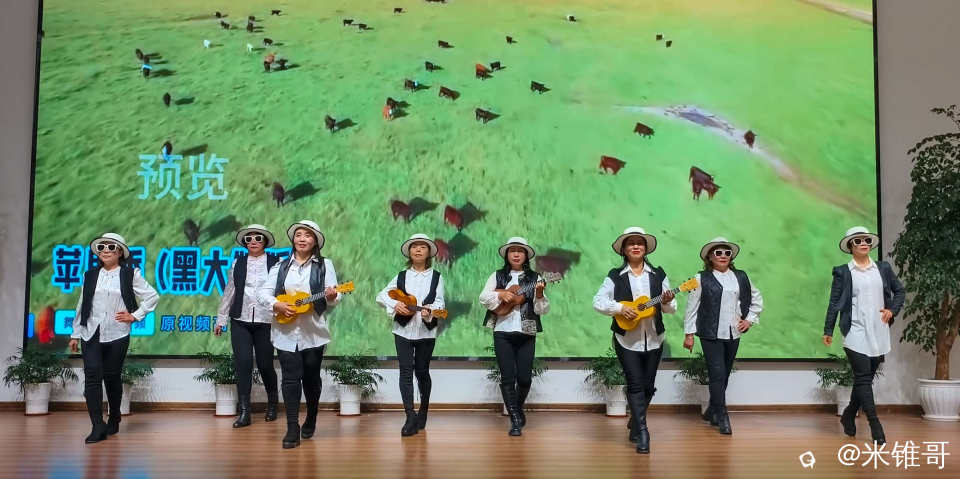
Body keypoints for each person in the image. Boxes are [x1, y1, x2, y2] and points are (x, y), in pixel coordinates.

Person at [258, 220, 342, 449]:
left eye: (308, 235)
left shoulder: (325, 265)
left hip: (313, 332)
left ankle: (312, 416)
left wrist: (333, 295)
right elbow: (263, 294)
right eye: (298, 235)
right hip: (284, 332)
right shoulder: (280, 266)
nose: (302, 239)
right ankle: (292, 427)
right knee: (290, 378)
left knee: (311, 379)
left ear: (315, 241)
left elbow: (336, 296)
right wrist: (277, 305)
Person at [69, 233, 159, 443]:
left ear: (120, 252)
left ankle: (114, 417)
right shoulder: (90, 275)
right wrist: (75, 333)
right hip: (90, 333)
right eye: (102, 247)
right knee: (92, 377)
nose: (105, 251)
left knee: (112, 377)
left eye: (111, 247)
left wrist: (135, 315)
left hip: (118, 333)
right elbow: (82, 304)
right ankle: (97, 426)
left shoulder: (130, 274)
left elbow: (152, 296)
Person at [592, 227, 676, 454]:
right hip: (626, 340)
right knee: (636, 384)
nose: (636, 246)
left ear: (646, 248)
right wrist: (620, 308)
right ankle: (643, 432)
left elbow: (671, 309)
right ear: (624, 249)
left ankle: (636, 422)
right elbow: (598, 301)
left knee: (648, 386)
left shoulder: (658, 274)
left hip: (654, 339)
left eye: (640, 242)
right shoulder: (615, 275)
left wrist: (667, 301)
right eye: (631, 243)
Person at [823, 226, 904, 445]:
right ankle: (875, 425)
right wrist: (828, 330)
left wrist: (892, 310)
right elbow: (834, 302)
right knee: (863, 378)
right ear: (850, 246)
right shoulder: (843, 272)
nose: (864, 244)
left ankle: (849, 413)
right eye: (858, 241)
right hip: (855, 330)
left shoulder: (883, 268)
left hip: (878, 331)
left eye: (866, 240)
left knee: (864, 380)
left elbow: (899, 291)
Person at [682, 237, 763, 435]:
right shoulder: (700, 278)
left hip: (733, 332)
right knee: (717, 373)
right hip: (710, 333)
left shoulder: (741, 276)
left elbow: (756, 299)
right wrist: (689, 334)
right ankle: (722, 416)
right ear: (710, 257)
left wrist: (749, 320)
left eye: (727, 253)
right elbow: (692, 307)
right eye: (718, 253)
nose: (723, 256)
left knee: (724, 374)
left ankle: (712, 410)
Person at [375, 234, 446, 436]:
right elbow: (381, 295)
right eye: (414, 247)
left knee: (422, 371)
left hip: (426, 331)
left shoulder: (437, 277)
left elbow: (440, 303)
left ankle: (423, 410)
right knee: (405, 371)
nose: (418, 250)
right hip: (402, 330)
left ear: (429, 253)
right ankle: (409, 416)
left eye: (423, 247)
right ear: (409, 252)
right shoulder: (401, 276)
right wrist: (395, 304)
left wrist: (429, 312)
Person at [479, 237, 549, 436]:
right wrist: (501, 295)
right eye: (512, 251)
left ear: (526, 255)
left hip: (527, 331)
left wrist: (540, 294)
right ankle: (515, 420)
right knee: (507, 377)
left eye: (520, 251)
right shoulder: (498, 275)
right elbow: (483, 297)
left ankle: (516, 409)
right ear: (507, 255)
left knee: (525, 379)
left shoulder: (535, 278)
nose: (516, 254)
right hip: (502, 331)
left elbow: (542, 310)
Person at [215, 224, 281, 428]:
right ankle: (245, 412)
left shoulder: (276, 263)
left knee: (265, 365)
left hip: (266, 320)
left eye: (258, 238)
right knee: (242, 363)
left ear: (265, 241)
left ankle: (272, 404)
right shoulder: (238, 262)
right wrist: (221, 319)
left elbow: (281, 290)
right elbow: (230, 291)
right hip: (240, 320)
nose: (253, 242)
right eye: (249, 239)